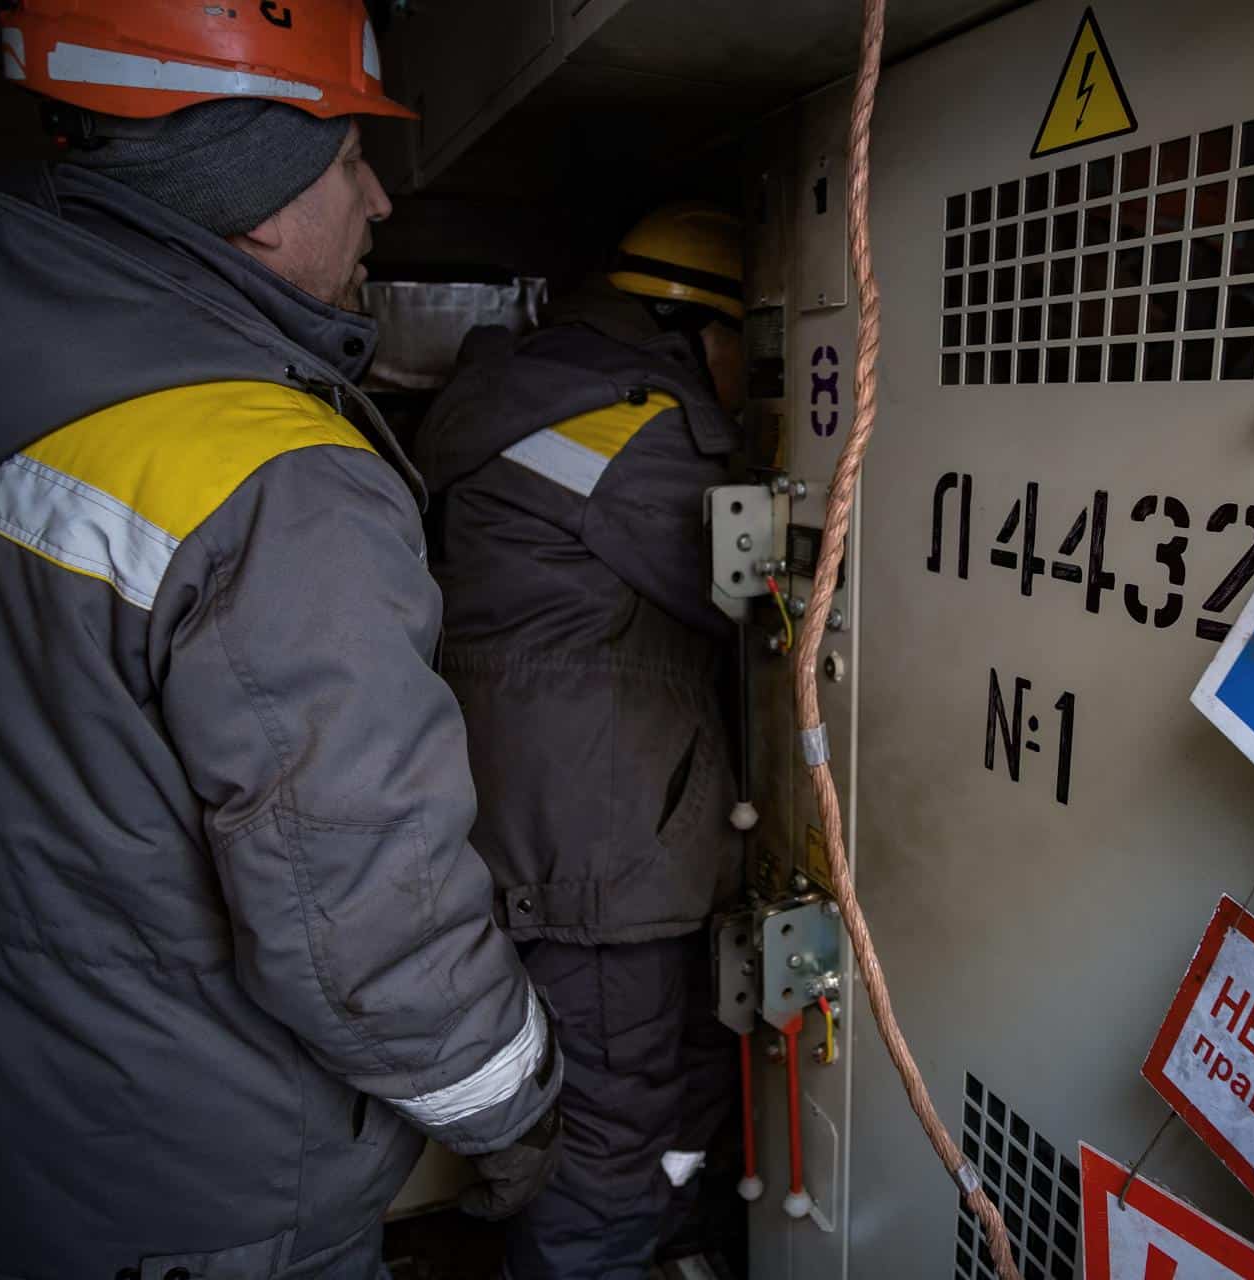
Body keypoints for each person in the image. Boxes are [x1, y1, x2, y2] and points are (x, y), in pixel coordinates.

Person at [0, 4, 561, 1276]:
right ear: (259, 192)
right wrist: (510, 1106)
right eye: (347, 160)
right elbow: (366, 920)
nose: (381, 201)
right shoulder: (273, 483)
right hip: (201, 1198)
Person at [412, 203, 749, 1277]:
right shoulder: (635, 426)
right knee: (614, 1130)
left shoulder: (527, 393)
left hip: (550, 831)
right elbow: (785, 585)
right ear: (699, 328)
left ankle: (667, 1241)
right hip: (600, 855)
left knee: (655, 1097)